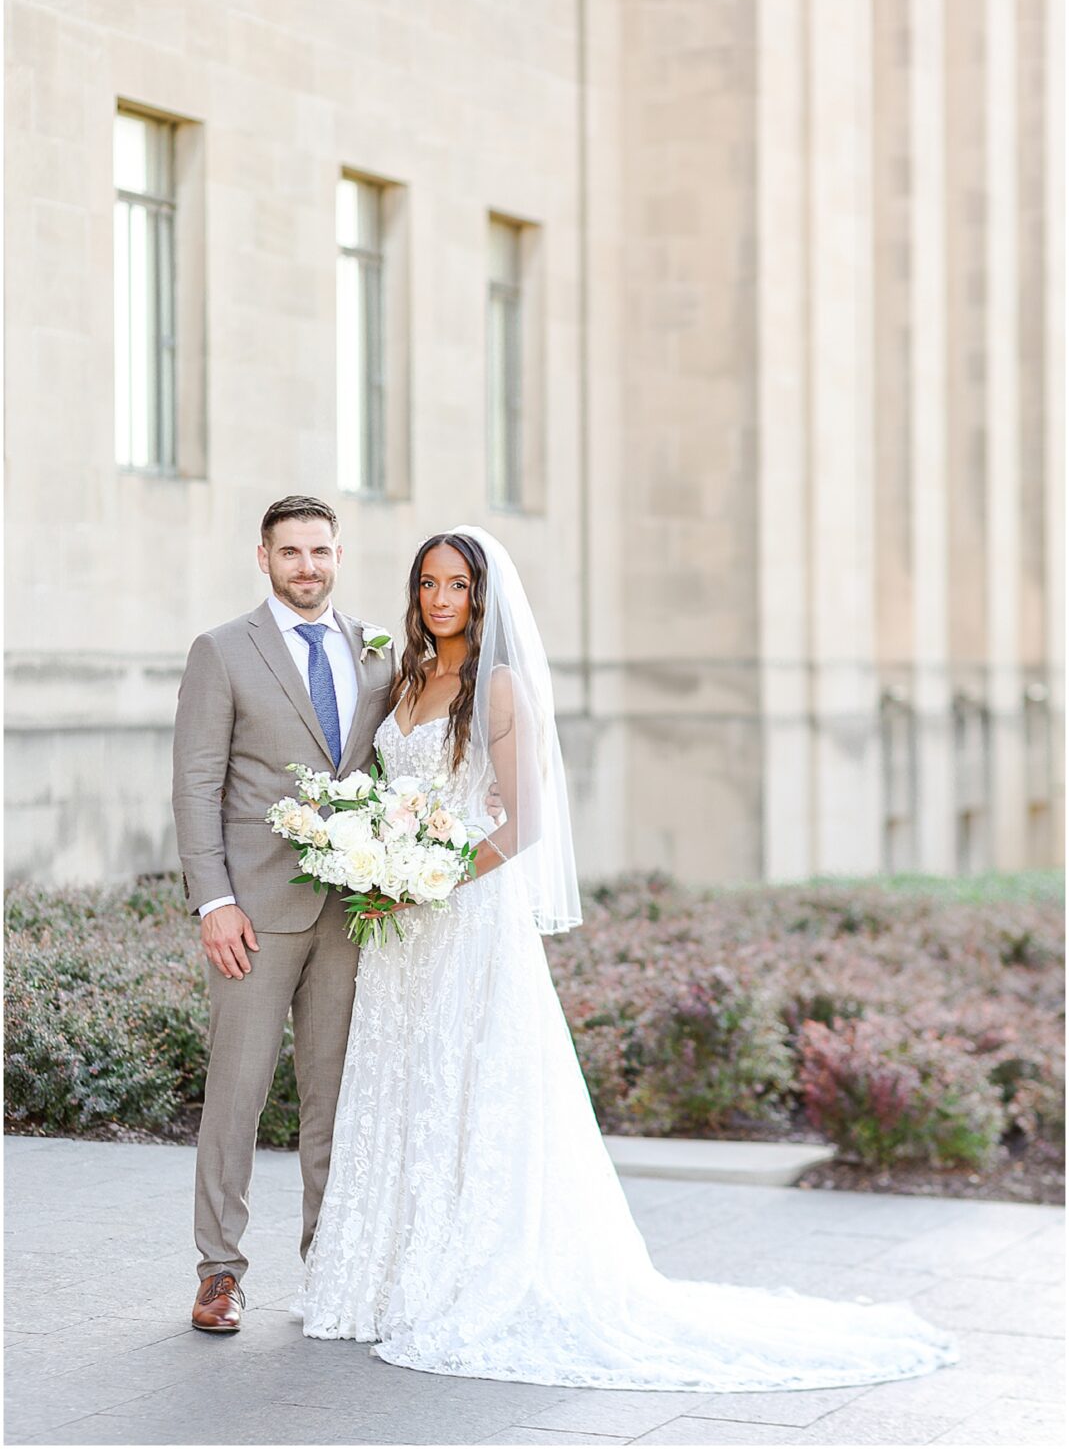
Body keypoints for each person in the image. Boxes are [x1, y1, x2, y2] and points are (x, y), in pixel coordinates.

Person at [296, 526, 959, 1391]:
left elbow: (522, 822)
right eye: (428, 583)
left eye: (457, 584)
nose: (440, 598)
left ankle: (460, 1276)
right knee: (405, 1087)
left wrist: (432, 879)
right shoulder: (406, 680)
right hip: (398, 928)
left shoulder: (495, 688)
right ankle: (379, 1280)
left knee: (470, 1086)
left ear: (483, 595)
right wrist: (377, 860)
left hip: (460, 919)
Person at [172, 494, 397, 1334]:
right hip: (254, 915)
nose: (309, 567)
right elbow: (196, 783)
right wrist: (215, 900)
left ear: (339, 556)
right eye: (292, 552)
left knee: (334, 1097)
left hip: (353, 911)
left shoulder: (373, 652)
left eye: (322, 552)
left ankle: (329, 1264)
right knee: (236, 1093)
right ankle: (219, 1272)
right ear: (262, 557)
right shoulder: (222, 652)